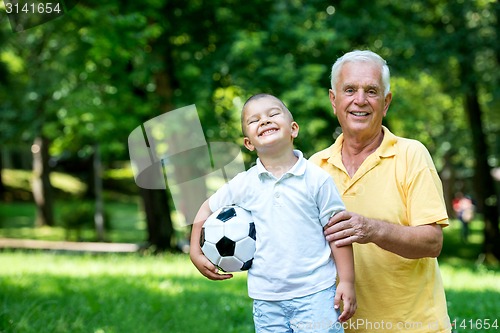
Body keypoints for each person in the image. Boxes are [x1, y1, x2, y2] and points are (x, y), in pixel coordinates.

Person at [310, 50, 451, 333]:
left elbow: (432, 242)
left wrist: (371, 229)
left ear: (385, 103)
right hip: (337, 327)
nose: (359, 100)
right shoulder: (314, 168)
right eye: (349, 89)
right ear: (333, 100)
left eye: (371, 91)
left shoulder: (412, 155)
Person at [190, 93, 356, 332]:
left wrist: (348, 281)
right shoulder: (244, 184)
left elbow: (338, 232)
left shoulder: (317, 180)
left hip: (315, 293)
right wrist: (195, 251)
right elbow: (205, 208)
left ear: (293, 129)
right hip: (267, 298)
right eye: (254, 120)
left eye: (273, 114)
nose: (265, 121)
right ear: (248, 143)